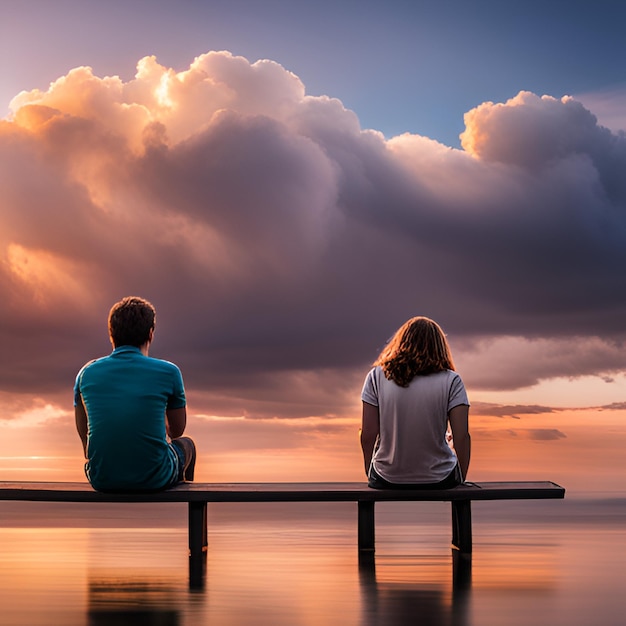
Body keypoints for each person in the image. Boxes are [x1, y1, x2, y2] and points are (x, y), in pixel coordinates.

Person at [74, 296, 196, 492]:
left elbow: (86, 437)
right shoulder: (169, 372)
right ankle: (187, 497)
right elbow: (177, 432)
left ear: (111, 334)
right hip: (155, 478)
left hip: (101, 478)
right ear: (150, 334)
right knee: (187, 444)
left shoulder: (86, 373)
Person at [360, 316, 470, 489]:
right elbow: (461, 436)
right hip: (440, 478)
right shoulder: (452, 380)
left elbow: (367, 434)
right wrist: (461, 478)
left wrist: (371, 472)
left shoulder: (375, 377)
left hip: (386, 477)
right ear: (440, 346)